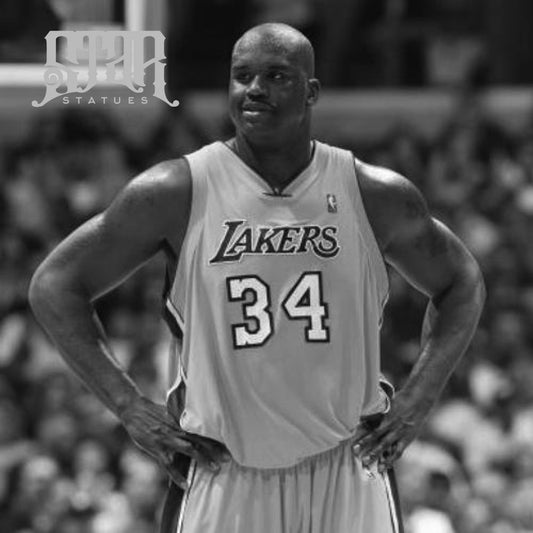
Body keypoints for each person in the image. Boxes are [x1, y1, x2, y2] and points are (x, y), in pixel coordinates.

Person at [29, 22, 485, 533]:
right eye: (242, 75)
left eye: (276, 76)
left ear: (311, 92)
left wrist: (418, 398)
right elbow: (54, 285)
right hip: (223, 470)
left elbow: (462, 282)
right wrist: (128, 406)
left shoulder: (373, 193)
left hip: (349, 463)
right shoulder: (175, 190)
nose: (254, 89)